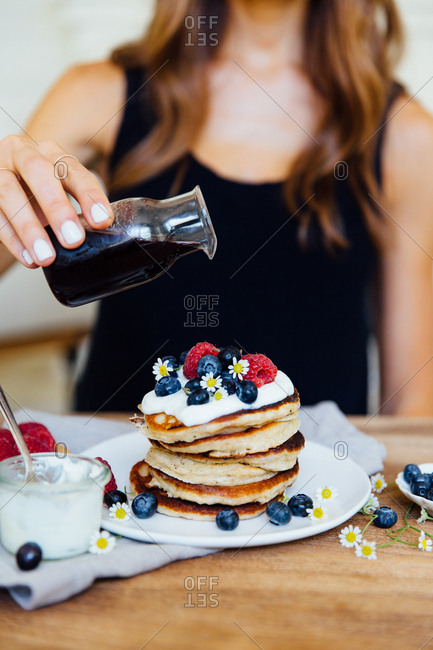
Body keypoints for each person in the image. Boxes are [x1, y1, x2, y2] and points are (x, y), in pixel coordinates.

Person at [1, 0, 433, 415]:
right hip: (120, 477)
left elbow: (412, 405)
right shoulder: (96, 95)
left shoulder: (404, 137)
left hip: (313, 480)